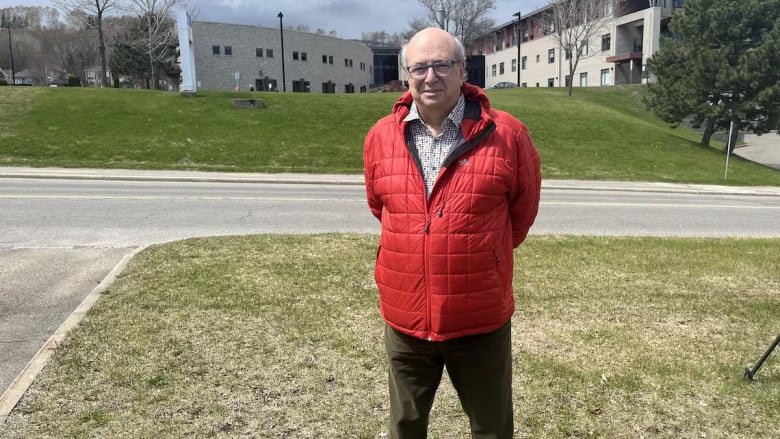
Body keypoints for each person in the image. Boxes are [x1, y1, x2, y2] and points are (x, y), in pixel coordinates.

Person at [363, 27, 542, 438]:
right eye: (420, 66)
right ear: (406, 73)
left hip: (478, 317)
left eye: (442, 64)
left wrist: (482, 253)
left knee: (491, 427)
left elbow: (521, 214)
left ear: (462, 70)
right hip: (405, 317)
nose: (431, 76)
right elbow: (381, 207)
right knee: (405, 426)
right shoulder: (379, 137)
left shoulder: (507, 134)